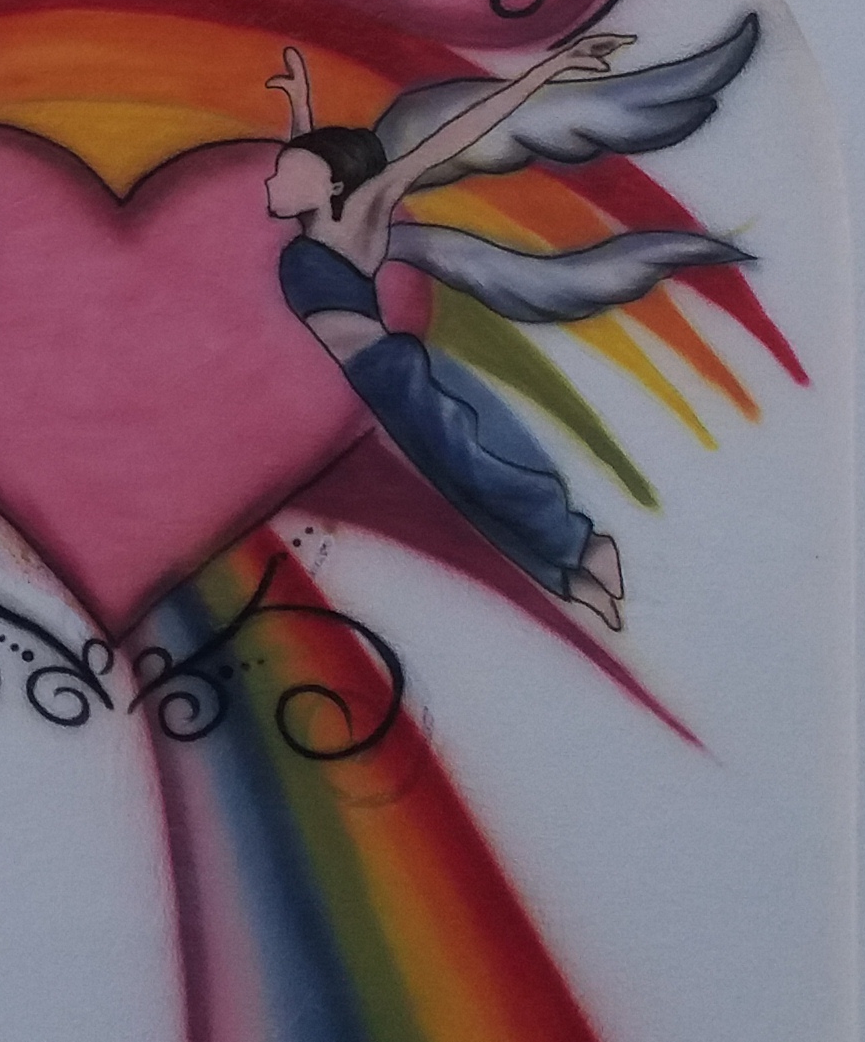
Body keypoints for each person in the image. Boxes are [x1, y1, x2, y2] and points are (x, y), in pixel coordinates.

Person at [268, 37, 631, 629]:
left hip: (389, 371)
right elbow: (314, 163)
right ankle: (568, 576)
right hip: (368, 384)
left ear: (333, 186)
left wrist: (547, 69)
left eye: (286, 172)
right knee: (451, 487)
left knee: (470, 464)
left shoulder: (359, 215)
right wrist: (301, 107)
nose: (272, 181)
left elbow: (451, 137)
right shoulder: (317, 225)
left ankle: (583, 545)